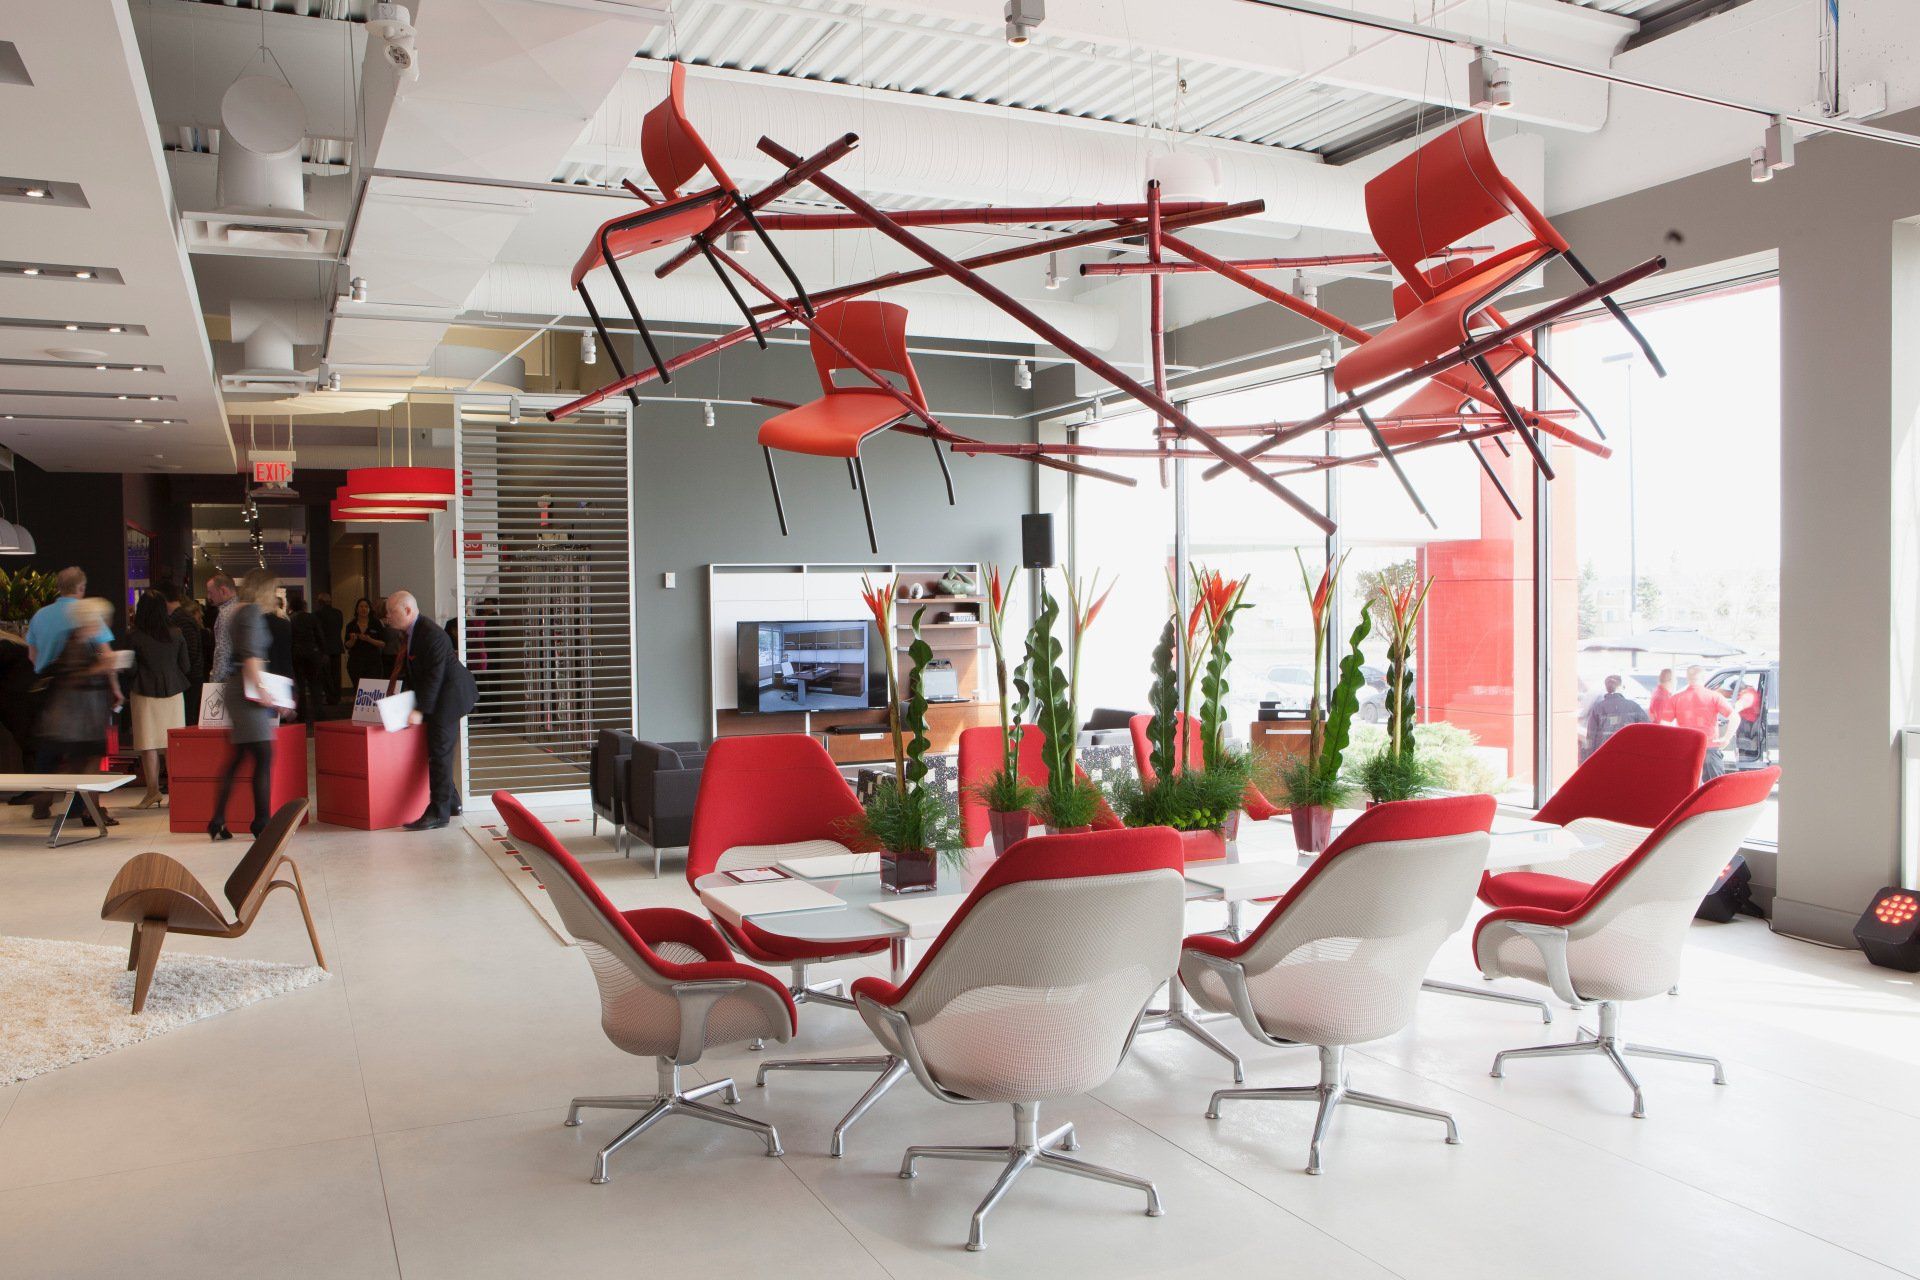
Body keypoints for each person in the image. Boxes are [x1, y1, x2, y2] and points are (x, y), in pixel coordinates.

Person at [386, 590, 476, 830]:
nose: (387, 617)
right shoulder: (412, 633)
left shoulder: (431, 634)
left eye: (391, 612)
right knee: (438, 751)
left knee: (439, 752)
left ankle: (438, 812)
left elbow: (435, 676)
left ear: (407, 610)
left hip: (450, 697)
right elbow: (416, 674)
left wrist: (420, 710)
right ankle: (452, 802)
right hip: (439, 696)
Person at [35, 598, 122, 826]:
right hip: (81, 719)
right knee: (89, 763)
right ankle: (89, 811)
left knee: (80, 764)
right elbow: (74, 676)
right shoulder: (78, 642)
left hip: (79, 718)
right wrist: (101, 667)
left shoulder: (77, 640)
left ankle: (57, 802)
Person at [208, 569, 280, 841]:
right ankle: (262, 822)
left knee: (239, 757)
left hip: (240, 688)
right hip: (247, 691)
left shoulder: (237, 612)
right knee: (263, 756)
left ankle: (218, 819)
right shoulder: (250, 613)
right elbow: (250, 657)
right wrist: (263, 691)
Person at [124, 590, 192, 808]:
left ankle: (152, 791)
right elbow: (186, 666)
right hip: (174, 692)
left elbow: (130, 669)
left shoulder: (134, 636)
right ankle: (176, 793)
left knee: (148, 744)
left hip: (144, 692)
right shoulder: (176, 633)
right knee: (172, 744)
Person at [1669, 664, 1735, 781]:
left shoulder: (1676, 698)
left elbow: (1664, 724)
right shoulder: (1714, 697)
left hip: (1685, 748)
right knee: (1715, 786)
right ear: (1704, 678)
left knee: (1685, 786)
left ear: (1688, 678)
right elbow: (1735, 717)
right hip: (1709, 746)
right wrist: (1726, 738)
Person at [24, 566, 88, 674]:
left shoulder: (39, 615)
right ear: (81, 588)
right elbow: (105, 655)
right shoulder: (89, 613)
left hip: (45, 681)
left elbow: (32, 656)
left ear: (59, 589)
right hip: (79, 680)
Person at [1583, 673, 1649, 761]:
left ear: (1606, 688)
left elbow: (1591, 737)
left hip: (1605, 756)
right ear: (1621, 687)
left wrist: (1590, 758)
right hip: (1628, 754)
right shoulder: (1634, 706)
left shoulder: (1598, 708)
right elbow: (1647, 730)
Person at [162, 585, 205, 721]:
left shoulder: (181, 619)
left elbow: (190, 651)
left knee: (187, 718)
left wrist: (178, 670)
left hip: (188, 679)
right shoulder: (181, 617)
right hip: (189, 678)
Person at [289, 594, 328, 723]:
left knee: (300, 686)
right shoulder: (312, 617)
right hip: (312, 654)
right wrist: (323, 652)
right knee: (315, 685)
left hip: (297, 655)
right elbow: (320, 636)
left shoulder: (291, 619)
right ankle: (319, 713)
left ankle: (302, 714)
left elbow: (290, 639)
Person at [344, 597, 386, 690]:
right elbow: (347, 645)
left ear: (370, 609)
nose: (364, 609)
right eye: (361, 606)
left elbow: (383, 644)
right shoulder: (351, 625)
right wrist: (352, 640)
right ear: (357, 609)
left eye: (366, 607)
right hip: (356, 662)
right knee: (359, 689)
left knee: (372, 689)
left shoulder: (376, 623)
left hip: (373, 662)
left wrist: (369, 639)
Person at [206, 573, 238, 687]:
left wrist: (214, 681)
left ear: (223, 591)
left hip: (227, 680)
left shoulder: (225, 614)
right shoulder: (242, 608)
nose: (209, 597)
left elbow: (223, 651)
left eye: (211, 592)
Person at [314, 590, 345, 703]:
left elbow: (318, 632)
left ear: (320, 602)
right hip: (337, 646)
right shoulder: (338, 613)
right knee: (336, 674)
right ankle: (337, 696)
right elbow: (340, 627)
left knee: (326, 675)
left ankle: (330, 697)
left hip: (324, 649)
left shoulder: (317, 614)